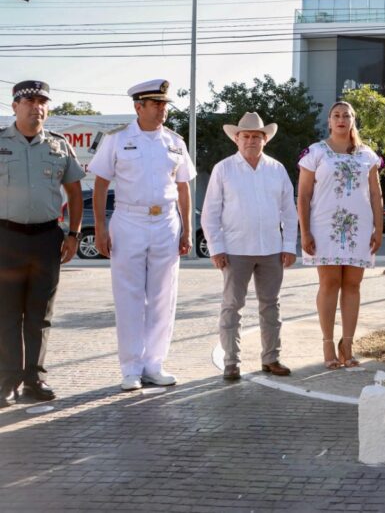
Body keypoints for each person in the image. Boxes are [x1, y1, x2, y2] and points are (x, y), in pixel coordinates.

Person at [89, 79, 196, 391]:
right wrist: (99, 227)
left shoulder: (175, 141)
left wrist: (187, 229)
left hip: (165, 221)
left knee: (164, 296)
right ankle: (131, 368)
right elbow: (100, 184)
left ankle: (155, 364)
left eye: (165, 104)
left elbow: (183, 187)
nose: (163, 109)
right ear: (138, 107)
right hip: (129, 220)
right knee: (130, 297)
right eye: (156, 104)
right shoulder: (117, 140)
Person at [0, 81, 84, 406]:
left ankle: (35, 380)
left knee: (40, 315)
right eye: (29, 100)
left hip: (47, 239)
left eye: (42, 101)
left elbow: (75, 194)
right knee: (6, 314)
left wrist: (74, 234)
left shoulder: (60, 146)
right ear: (14, 106)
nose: (37, 106)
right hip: (5, 238)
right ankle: (7, 382)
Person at [201, 113, 298, 382]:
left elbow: (289, 211)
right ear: (237, 139)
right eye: (246, 136)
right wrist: (216, 248)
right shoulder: (223, 169)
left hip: (271, 250)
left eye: (257, 136)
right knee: (232, 306)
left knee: (271, 306)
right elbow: (210, 212)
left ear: (265, 139)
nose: (251, 140)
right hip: (235, 249)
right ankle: (231, 362)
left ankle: (271, 358)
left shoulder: (276, 169)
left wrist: (289, 245)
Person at [297, 101, 383, 369]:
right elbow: (304, 194)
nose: (341, 119)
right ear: (329, 122)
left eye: (347, 115)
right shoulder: (316, 153)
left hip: (359, 227)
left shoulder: (367, 155)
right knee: (329, 283)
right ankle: (327, 344)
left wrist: (378, 228)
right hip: (324, 227)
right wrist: (305, 230)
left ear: (353, 120)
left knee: (353, 285)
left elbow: (375, 194)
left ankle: (347, 344)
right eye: (336, 115)